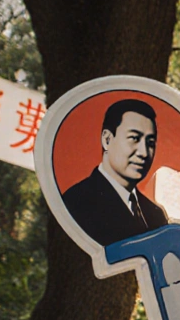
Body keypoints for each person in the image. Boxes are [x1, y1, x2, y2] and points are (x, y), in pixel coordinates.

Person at [61, 98, 169, 245]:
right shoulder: (76, 202)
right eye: (134, 138)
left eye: (150, 143)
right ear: (107, 140)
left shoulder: (155, 214)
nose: (143, 153)